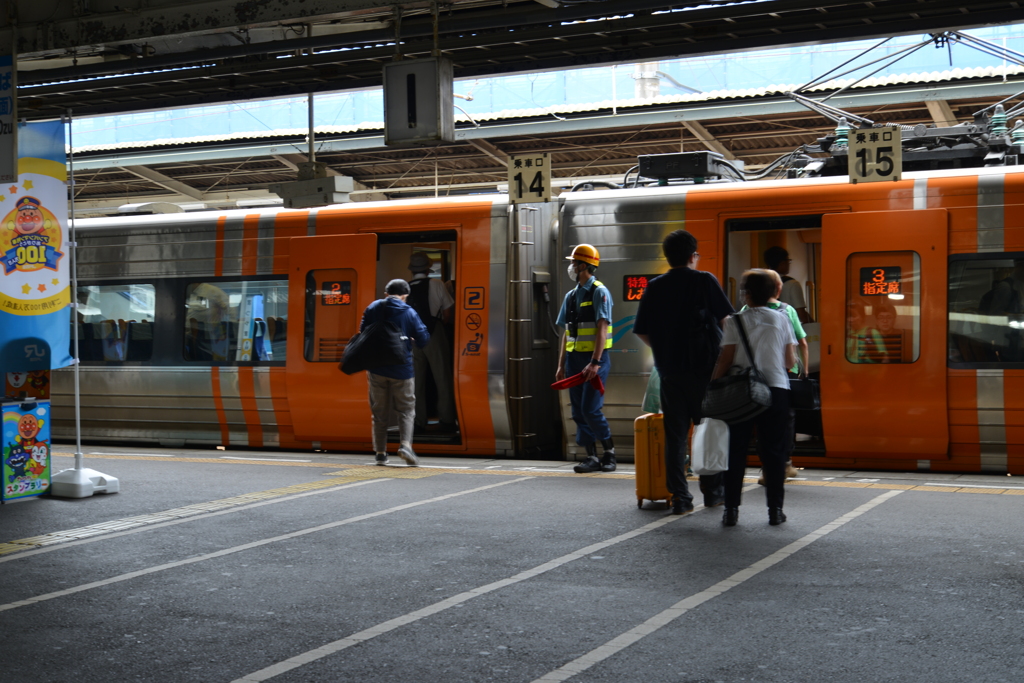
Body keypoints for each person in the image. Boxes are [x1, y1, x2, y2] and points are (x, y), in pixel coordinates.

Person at [634, 230, 733, 514]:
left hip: (670, 373)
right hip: (706, 373)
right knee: (708, 433)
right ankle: (713, 494)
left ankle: (680, 498)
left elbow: (641, 331)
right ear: (693, 256)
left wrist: (664, 352)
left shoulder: (655, 286)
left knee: (675, 437)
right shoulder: (704, 280)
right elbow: (727, 321)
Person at [712, 269, 797, 527]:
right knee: (773, 453)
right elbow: (790, 361)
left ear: (746, 294)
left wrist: (712, 385)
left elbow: (725, 359)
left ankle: (731, 511)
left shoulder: (735, 321)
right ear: (774, 292)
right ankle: (775, 511)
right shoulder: (782, 319)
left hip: (741, 393)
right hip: (776, 390)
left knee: (735, 451)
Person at [555, 244, 615, 473]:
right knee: (578, 411)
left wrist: (595, 362)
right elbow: (567, 334)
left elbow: (602, 329)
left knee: (591, 409)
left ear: (583, 265)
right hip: (574, 361)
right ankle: (591, 457)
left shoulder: (600, 292)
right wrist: (561, 365)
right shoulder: (571, 296)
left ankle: (609, 452)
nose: (571, 266)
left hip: (595, 360)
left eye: (573, 263)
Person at [743, 270, 807, 482]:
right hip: (784, 375)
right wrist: (804, 369)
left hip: (754, 376)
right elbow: (801, 343)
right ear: (778, 290)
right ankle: (784, 463)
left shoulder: (743, 312)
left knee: (758, 422)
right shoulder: (787, 312)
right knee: (785, 421)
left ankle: (766, 468)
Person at [360, 279, 430, 467]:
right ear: (405, 296)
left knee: (379, 412)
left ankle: (380, 453)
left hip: (376, 369)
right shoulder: (409, 312)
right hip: (402, 369)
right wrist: (413, 340)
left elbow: (362, 333)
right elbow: (424, 339)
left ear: (386, 293)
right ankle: (405, 445)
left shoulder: (372, 308)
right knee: (406, 409)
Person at [408, 252, 458, 433]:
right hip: (434, 332)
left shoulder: (405, 288)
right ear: (428, 268)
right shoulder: (437, 284)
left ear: (412, 271)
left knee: (415, 380)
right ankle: (446, 420)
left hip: (412, 336)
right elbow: (447, 315)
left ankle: (418, 421)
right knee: (442, 376)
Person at [764, 246, 810, 324]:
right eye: (788, 261)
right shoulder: (792, 284)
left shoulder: (759, 283)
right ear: (782, 263)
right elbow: (802, 315)